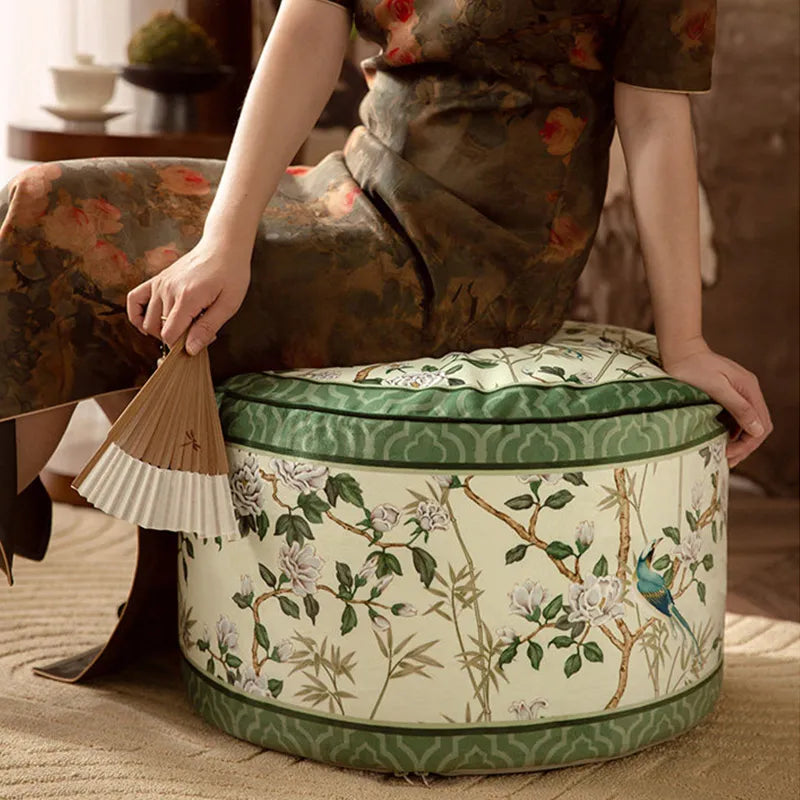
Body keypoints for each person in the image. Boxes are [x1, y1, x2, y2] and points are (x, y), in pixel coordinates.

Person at [0, 0, 772, 595]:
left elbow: (655, 119)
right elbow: (308, 24)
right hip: (354, 186)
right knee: (41, 201)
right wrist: (223, 241)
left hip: (475, 260)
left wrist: (686, 344)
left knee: (84, 265)